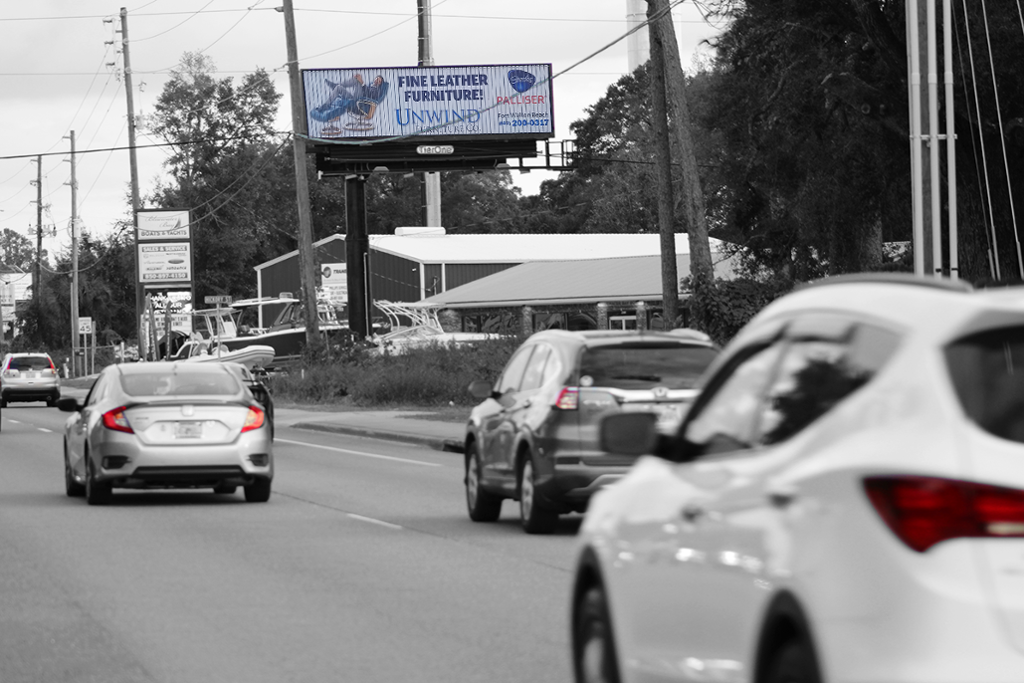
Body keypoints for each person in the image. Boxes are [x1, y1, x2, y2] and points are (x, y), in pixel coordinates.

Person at [310, 74, 387, 122]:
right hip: (355, 100)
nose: (377, 80)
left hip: (361, 103)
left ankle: (335, 85)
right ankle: (325, 106)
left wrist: (362, 82)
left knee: (357, 81)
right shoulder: (370, 86)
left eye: (379, 81)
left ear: (380, 84)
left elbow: (370, 96)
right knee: (339, 88)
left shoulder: (378, 90)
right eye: (376, 78)